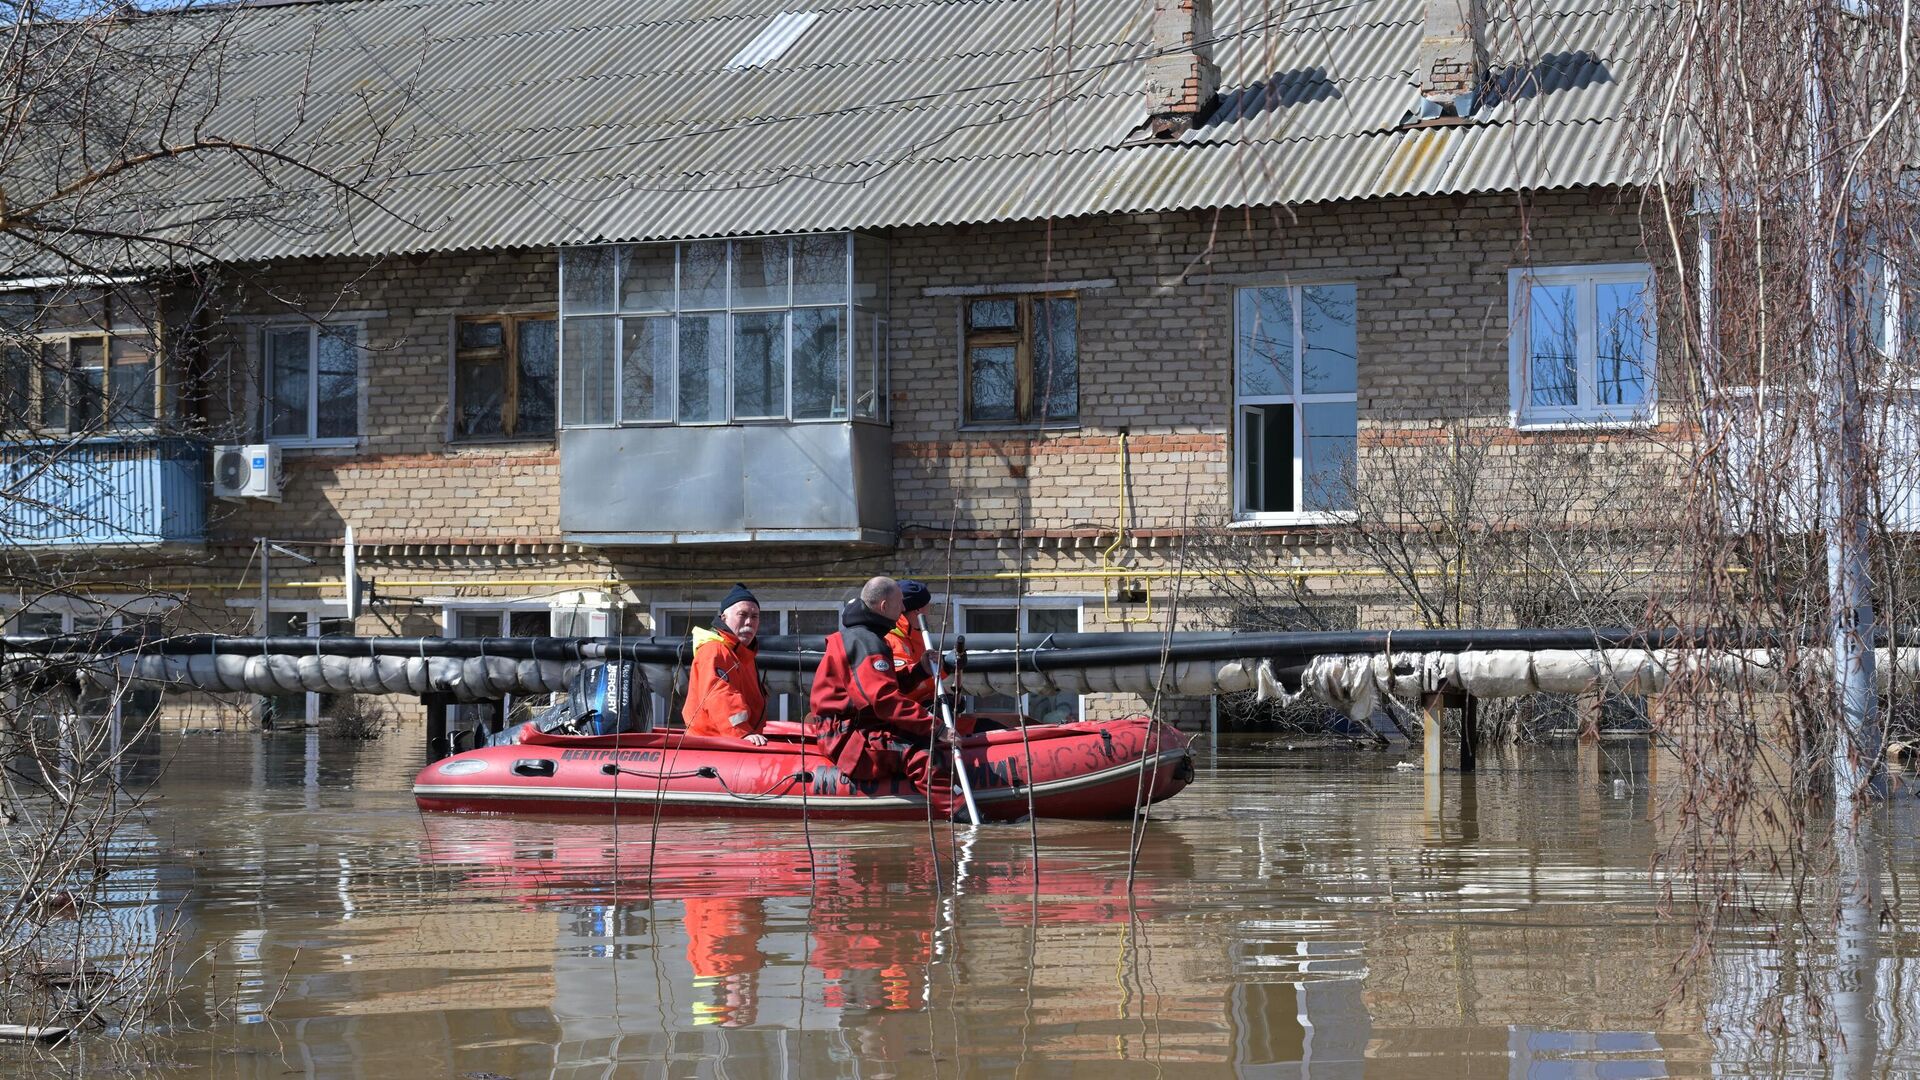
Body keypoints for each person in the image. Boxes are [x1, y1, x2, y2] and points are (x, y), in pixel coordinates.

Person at [810, 576, 963, 815]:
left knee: (924, 740)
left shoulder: (864, 636)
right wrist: (939, 728)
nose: (903, 609)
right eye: (900, 603)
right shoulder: (866, 642)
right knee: (921, 756)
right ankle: (961, 816)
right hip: (849, 738)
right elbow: (885, 700)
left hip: (859, 726)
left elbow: (880, 688)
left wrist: (918, 671)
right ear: (884, 606)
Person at [682, 583, 769, 745]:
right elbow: (720, 694)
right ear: (724, 618)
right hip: (712, 745)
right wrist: (741, 733)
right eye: (742, 615)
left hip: (732, 740)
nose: (749, 622)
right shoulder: (714, 650)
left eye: (755, 616)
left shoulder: (743, 655)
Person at [886, 579, 937, 705]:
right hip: (909, 715)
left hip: (924, 707)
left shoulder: (917, 635)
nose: (929, 612)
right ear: (918, 611)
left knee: (983, 724)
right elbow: (905, 684)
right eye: (928, 607)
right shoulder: (892, 640)